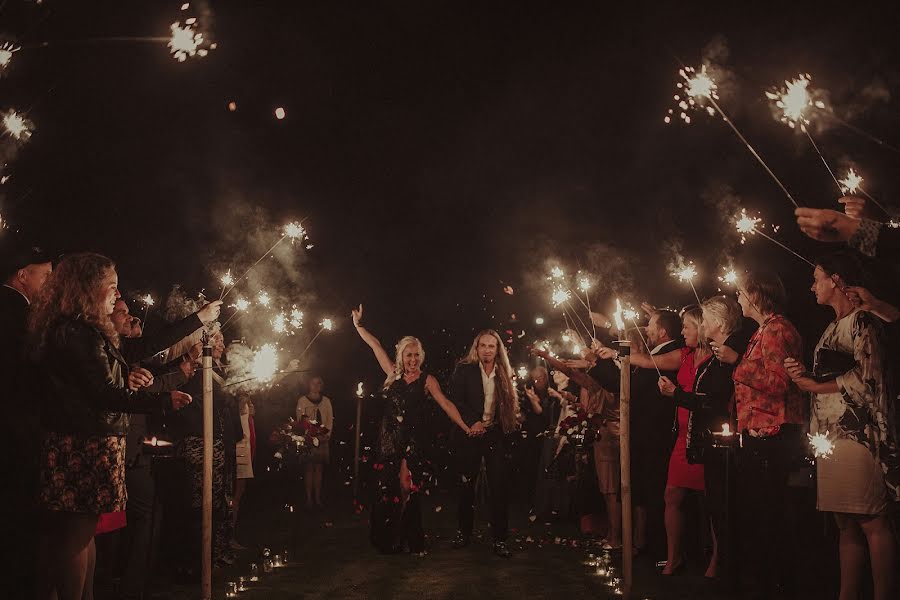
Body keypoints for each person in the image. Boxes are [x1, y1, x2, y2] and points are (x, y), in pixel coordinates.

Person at [28, 253, 197, 600]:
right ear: (89, 289)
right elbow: (104, 393)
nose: (117, 297)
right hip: (82, 444)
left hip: (89, 440)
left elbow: (105, 384)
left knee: (84, 533)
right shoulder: (78, 333)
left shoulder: (84, 331)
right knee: (74, 535)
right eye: (112, 288)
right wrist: (162, 400)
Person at [784, 251, 898, 600]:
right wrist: (803, 375)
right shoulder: (833, 326)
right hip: (830, 435)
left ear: (837, 280)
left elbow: (869, 375)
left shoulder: (864, 320)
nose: (812, 285)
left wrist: (815, 386)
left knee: (870, 520)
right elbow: (831, 374)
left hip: (857, 434)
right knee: (845, 522)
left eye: (817, 278)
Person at [351, 304, 471, 554]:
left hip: (412, 441)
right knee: (389, 488)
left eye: (417, 355)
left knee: (407, 485)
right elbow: (375, 346)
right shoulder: (392, 374)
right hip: (389, 438)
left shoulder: (428, 380)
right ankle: (390, 537)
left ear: (421, 356)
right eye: (409, 355)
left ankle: (403, 534)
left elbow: (447, 405)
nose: (413, 359)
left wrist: (466, 427)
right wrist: (359, 326)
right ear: (401, 356)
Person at [658, 296, 744, 584]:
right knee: (676, 496)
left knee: (714, 504)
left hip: (711, 442)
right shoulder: (714, 359)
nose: (699, 325)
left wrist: (677, 395)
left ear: (716, 323)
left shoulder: (722, 359)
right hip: (688, 437)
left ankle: (719, 562)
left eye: (703, 320)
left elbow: (713, 402)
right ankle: (678, 557)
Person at [731, 268, 805, 596]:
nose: (737, 298)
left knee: (770, 513)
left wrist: (740, 365)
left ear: (757, 295)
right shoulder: (762, 331)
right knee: (760, 513)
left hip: (773, 436)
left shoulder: (776, 329)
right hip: (759, 434)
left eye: (741, 292)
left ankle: (777, 583)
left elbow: (778, 383)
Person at [0, 240, 52, 600]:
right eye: (45, 276)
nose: (49, 284)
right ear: (23, 275)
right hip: (15, 435)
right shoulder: (15, 315)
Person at [450, 329, 521, 558]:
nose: (487, 350)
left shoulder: (504, 372)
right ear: (476, 347)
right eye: (483, 346)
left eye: (492, 346)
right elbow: (456, 400)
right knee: (466, 485)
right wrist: (474, 422)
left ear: (497, 349)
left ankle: (500, 539)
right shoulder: (464, 370)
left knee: (499, 487)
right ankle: (463, 532)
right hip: (469, 433)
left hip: (494, 435)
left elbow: (508, 405)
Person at [296, 375, 333, 509]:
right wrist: (308, 435)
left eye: (319, 383)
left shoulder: (326, 401)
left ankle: (317, 498)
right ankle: (309, 499)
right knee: (309, 469)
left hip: (322, 439)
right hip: (309, 440)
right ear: (308, 385)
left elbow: (329, 419)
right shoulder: (302, 401)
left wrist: (327, 435)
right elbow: (300, 419)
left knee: (319, 469)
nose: (316, 386)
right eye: (313, 383)